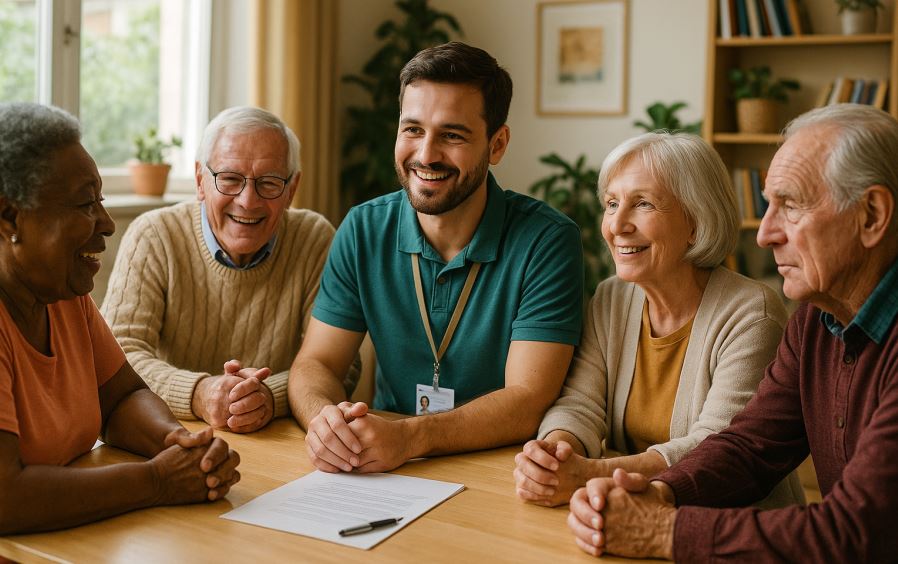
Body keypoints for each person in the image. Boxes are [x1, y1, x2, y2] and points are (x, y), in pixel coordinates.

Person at [567, 104, 898, 562]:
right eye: (768, 206)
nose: (764, 234)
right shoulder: (813, 322)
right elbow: (749, 448)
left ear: (872, 215)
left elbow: (855, 533)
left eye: (791, 205)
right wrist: (659, 493)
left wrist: (663, 530)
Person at [289, 42, 584, 473]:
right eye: (412, 129)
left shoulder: (547, 240)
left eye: (452, 135)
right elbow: (316, 362)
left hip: (500, 468)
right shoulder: (363, 228)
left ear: (497, 144)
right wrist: (325, 422)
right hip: (385, 465)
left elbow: (527, 400)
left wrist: (411, 437)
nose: (426, 155)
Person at [514, 132, 803, 508]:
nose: (617, 225)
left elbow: (716, 448)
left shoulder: (751, 313)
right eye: (612, 203)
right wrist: (555, 454)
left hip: (732, 526)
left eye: (643, 204)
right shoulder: (611, 298)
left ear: (697, 222)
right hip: (631, 510)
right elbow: (579, 403)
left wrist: (588, 475)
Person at [0, 102, 240, 534]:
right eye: (84, 204)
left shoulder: (63, 296)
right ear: (9, 217)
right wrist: (157, 480)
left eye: (101, 201)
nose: (107, 224)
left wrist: (176, 443)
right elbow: (5, 497)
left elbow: (121, 400)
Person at [102, 106, 350, 434]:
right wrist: (199, 394)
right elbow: (116, 357)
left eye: (269, 183)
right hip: (173, 434)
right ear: (200, 181)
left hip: (277, 438)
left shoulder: (315, 239)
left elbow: (338, 365)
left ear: (292, 189)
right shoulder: (154, 235)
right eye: (230, 179)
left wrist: (267, 397)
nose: (248, 201)